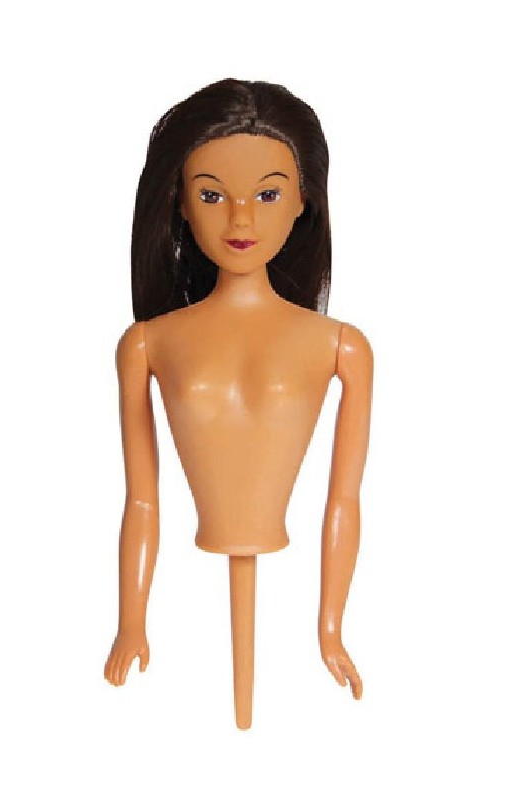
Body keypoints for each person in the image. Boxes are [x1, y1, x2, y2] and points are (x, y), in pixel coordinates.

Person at [103, 78, 373, 729]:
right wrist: (131, 621)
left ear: (303, 200)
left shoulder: (342, 347)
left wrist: (330, 627)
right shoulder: (146, 344)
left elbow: (344, 499)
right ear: (180, 204)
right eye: (212, 195)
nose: (241, 219)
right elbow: (141, 499)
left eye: (268, 193)